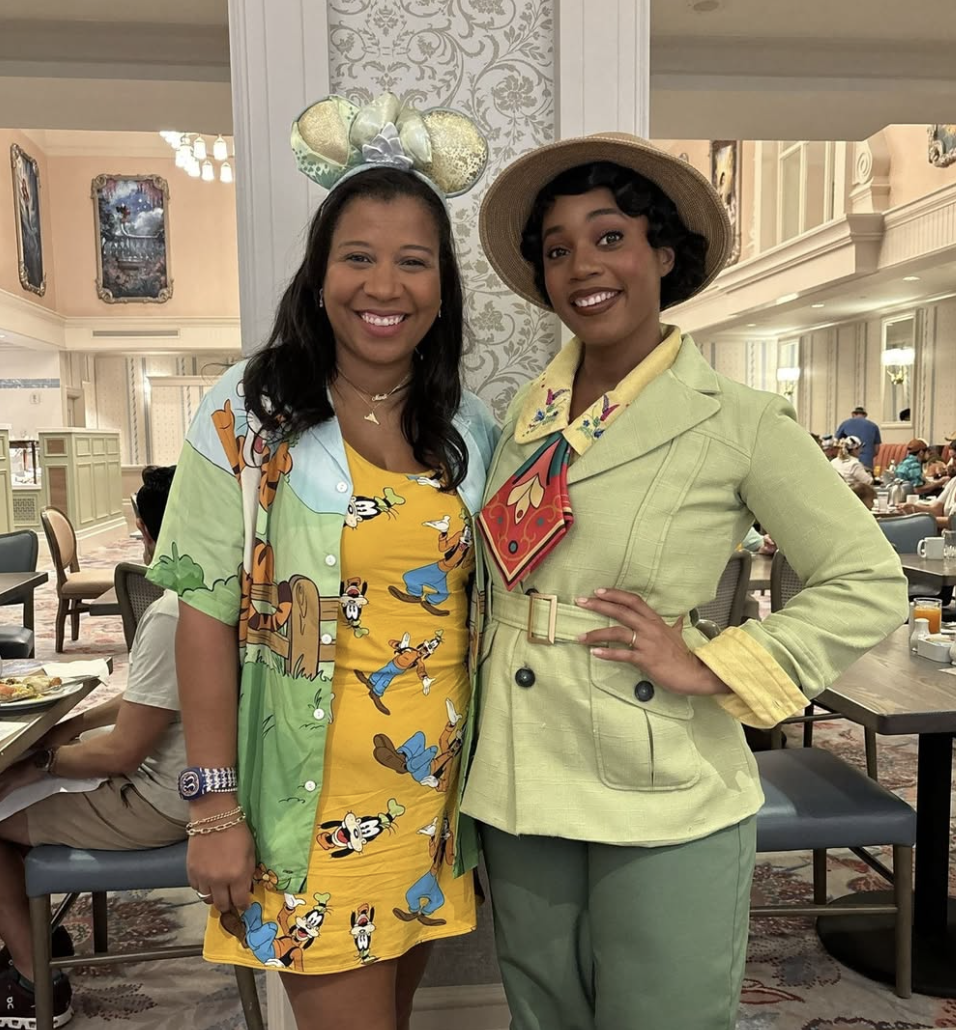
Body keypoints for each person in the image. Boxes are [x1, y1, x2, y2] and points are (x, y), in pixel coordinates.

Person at [461, 134, 908, 1030]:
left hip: (657, 766)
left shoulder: (738, 420)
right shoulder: (524, 416)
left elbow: (867, 579)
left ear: (663, 253)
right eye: (557, 248)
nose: (582, 265)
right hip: (518, 764)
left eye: (609, 236)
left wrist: (715, 663)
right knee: (543, 1015)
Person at [146, 93, 497, 1030]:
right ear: (318, 275)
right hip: (308, 809)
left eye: (412, 262)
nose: (384, 286)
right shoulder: (244, 413)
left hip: (431, 800)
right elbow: (205, 614)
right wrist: (212, 808)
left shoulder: (466, 426)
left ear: (441, 286)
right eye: (358, 257)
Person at [0, 465, 185, 1028]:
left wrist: (40, 762)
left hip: (160, 803)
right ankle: (32, 925)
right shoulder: (212, 595)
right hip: (187, 785)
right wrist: (67, 729)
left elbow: (120, 755)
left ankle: (36, 983)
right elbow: (153, 700)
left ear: (153, 531)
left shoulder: (173, 612)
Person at [835, 405, 881, 471]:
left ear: (853, 414)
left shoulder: (845, 424)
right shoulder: (874, 426)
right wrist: (868, 455)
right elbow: (876, 450)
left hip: (848, 462)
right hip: (867, 462)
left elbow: (836, 442)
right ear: (865, 415)